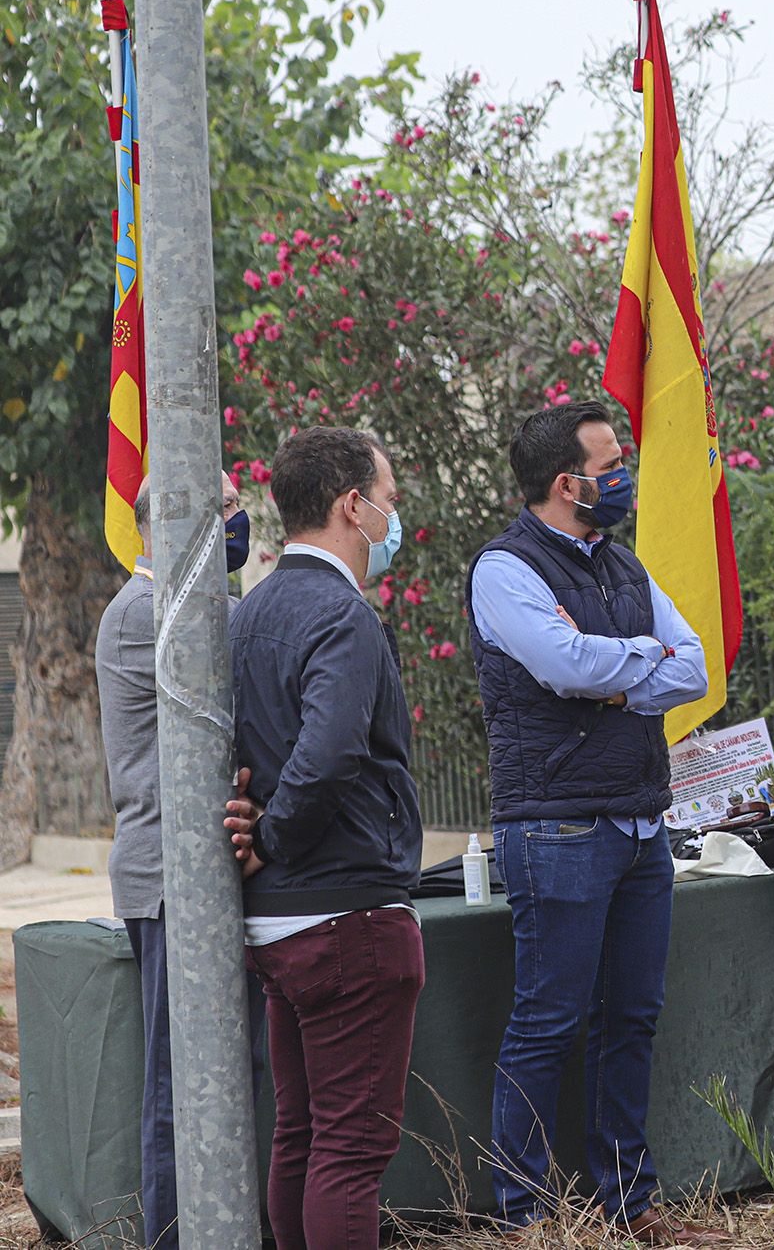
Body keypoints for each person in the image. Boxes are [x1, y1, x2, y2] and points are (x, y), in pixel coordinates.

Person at [467, 402, 716, 1244]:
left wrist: (616, 671)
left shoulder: (623, 564)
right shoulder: (504, 568)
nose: (626, 475)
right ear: (567, 483)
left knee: (632, 1018)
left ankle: (627, 1201)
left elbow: (696, 668)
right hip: (558, 828)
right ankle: (523, 1214)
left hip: (641, 826)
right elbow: (560, 663)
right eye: (613, 464)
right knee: (548, 1021)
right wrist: (633, 662)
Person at [222, 427, 424, 1250]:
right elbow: (332, 747)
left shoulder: (253, 608)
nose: (393, 515)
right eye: (389, 498)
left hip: (282, 918)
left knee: (303, 1137)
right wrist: (274, 832)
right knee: (349, 1149)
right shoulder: (342, 614)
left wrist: (266, 832)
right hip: (346, 914)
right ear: (352, 504)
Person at [98, 472, 249, 1250]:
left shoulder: (172, 607)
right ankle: (172, 1235)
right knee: (177, 1079)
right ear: (178, 523)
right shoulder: (143, 614)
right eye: (226, 508)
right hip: (168, 878)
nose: (239, 519)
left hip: (186, 874)